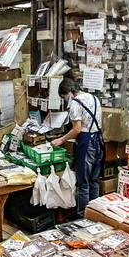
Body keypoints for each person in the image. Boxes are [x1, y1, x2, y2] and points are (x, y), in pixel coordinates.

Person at [51, 78, 104, 218]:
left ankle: (83, 217)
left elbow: (77, 129)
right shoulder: (94, 97)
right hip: (99, 141)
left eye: (64, 97)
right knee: (94, 180)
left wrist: (61, 139)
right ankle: (95, 214)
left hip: (86, 143)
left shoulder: (75, 103)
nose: (65, 100)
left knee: (83, 183)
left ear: (68, 92)